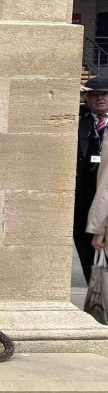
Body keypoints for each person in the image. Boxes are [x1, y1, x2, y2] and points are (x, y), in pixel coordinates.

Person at [77, 76, 108, 278]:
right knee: (87, 252)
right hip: (83, 196)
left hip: (105, 193)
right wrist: (73, 95)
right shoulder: (79, 118)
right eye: (94, 95)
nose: (100, 99)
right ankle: (95, 291)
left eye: (104, 94)